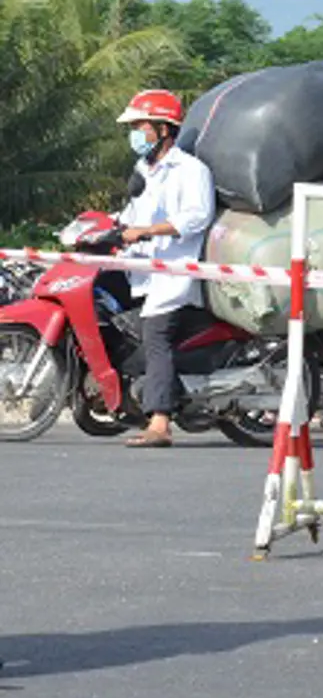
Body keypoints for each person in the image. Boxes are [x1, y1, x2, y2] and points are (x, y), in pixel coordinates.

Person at [114, 90, 217, 449]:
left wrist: (147, 231)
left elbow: (197, 216)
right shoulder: (143, 171)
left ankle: (160, 422)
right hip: (144, 271)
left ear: (162, 128)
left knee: (156, 337)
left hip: (174, 272)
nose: (135, 133)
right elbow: (131, 217)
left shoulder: (190, 170)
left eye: (139, 125)